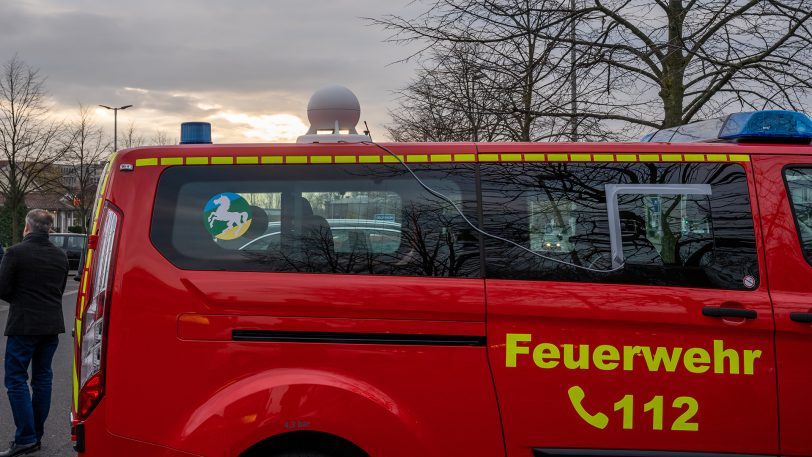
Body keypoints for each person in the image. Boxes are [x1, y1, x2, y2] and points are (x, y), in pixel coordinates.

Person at [0, 209, 69, 457]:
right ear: (49, 229)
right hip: (51, 325)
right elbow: (59, 290)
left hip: (24, 325)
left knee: (16, 379)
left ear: (27, 227)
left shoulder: (15, 253)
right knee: (42, 379)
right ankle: (35, 435)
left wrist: (21, 300)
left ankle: (26, 438)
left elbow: (3, 288)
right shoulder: (61, 256)